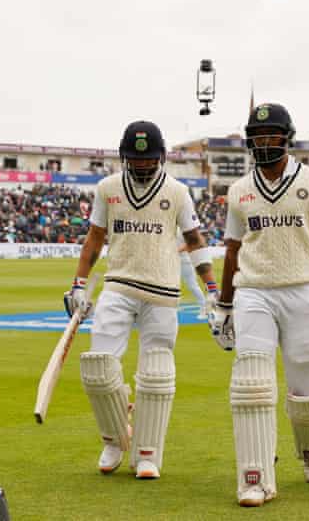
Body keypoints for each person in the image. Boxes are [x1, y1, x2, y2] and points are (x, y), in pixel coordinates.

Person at [208, 103, 309, 507]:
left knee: (306, 390)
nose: (264, 143)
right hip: (254, 292)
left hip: (305, 290)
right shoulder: (238, 190)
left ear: (286, 138)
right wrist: (225, 306)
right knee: (251, 384)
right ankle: (255, 476)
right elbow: (232, 251)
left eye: (271, 136)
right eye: (257, 137)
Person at [64, 120, 216, 479]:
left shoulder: (178, 192)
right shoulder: (107, 188)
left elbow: (194, 241)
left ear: (161, 157)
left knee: (156, 376)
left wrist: (211, 290)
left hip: (162, 292)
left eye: (148, 159)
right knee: (99, 367)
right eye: (135, 159)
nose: (142, 165)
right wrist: (79, 285)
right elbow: (94, 239)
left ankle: (148, 453)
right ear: (124, 157)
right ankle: (115, 438)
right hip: (117, 285)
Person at [178, 233, 218, 318]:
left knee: (192, 285)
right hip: (173, 259)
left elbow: (189, 243)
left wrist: (177, 250)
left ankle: (205, 307)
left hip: (185, 261)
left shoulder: (182, 229)